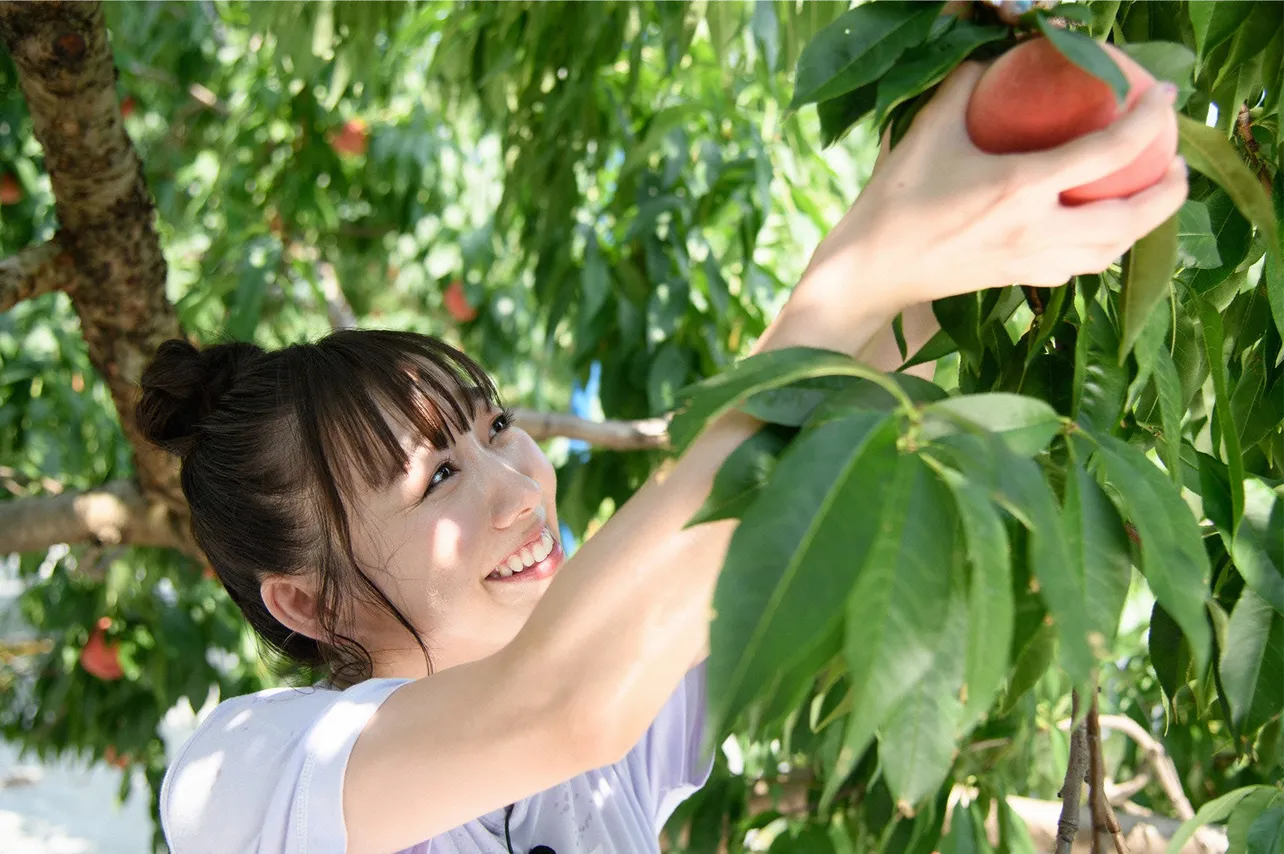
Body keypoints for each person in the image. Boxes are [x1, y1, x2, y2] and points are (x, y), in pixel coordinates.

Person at [149, 63, 1186, 854]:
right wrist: (864, 262)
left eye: (496, 425)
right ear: (306, 602)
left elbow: (814, 420)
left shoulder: (609, 716)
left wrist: (985, 115)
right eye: (439, 477)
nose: (520, 487)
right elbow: (567, 704)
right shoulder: (243, 776)